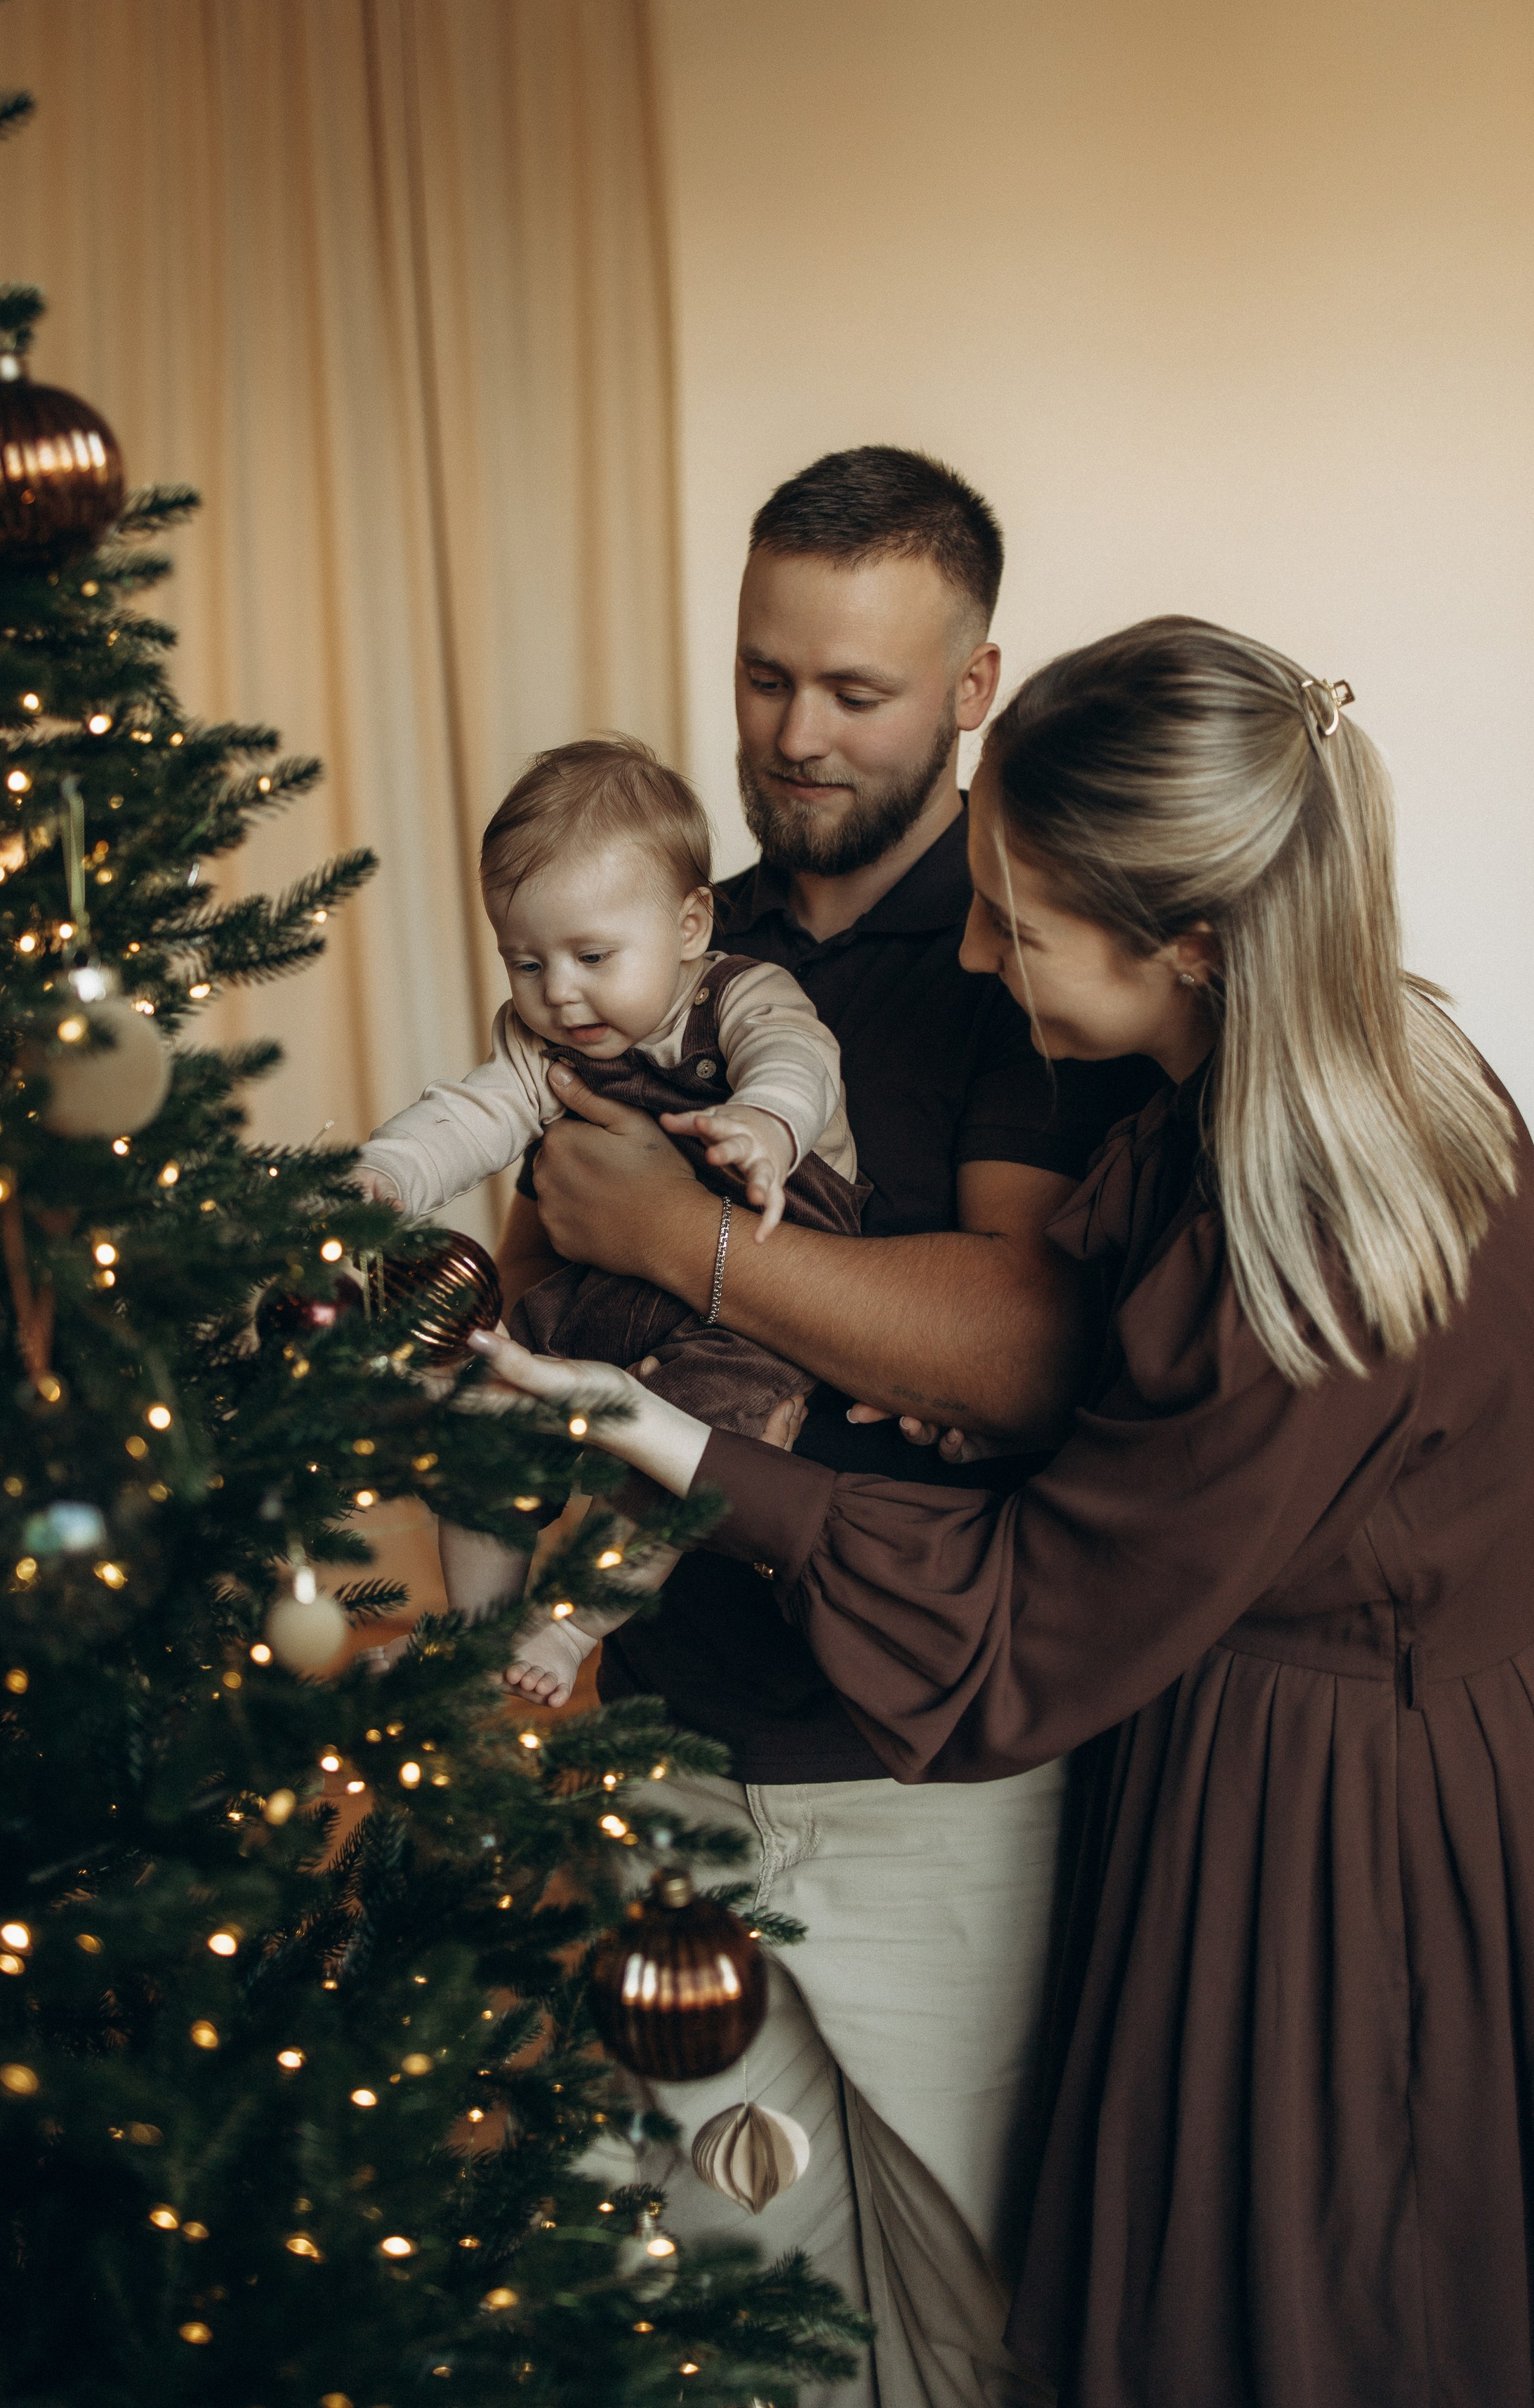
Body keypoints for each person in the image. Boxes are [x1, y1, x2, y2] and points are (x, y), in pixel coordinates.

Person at [473, 613, 1533, 2408]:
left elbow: (1037, 1609)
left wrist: (674, 1450)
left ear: (1186, 946)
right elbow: (1167, 1435)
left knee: (1307, 2297)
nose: (975, 951)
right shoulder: (1319, 1086)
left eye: (1017, 925)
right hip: (1260, 1734)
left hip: (1328, 1816)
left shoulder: (1310, 1232)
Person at [496, 448, 1156, 2408]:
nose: (792, 734)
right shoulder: (661, 928)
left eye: (855, 690)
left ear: (974, 687)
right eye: (764, 673)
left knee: (969, 2322)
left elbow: (1022, 1345)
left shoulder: (1027, 952)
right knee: (719, 2318)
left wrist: (688, 1242)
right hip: (669, 1733)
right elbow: (551, 1254)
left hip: (930, 1775)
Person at [352, 733, 866, 1703]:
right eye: (525, 961)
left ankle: (573, 1626)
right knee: (480, 1407)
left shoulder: (742, 995)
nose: (559, 992)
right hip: (614, 1292)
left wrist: (767, 1120)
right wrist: (386, 1176)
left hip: (757, 1308)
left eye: (592, 956)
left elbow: (799, 1058)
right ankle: (472, 1629)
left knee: (696, 1448)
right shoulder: (544, 1041)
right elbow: (472, 1114)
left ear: (687, 923)